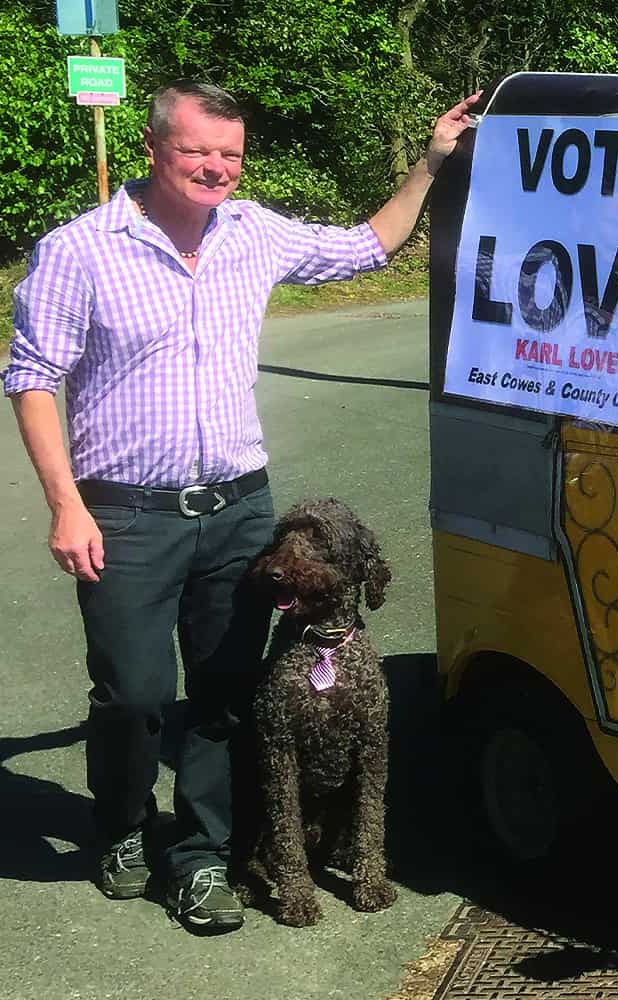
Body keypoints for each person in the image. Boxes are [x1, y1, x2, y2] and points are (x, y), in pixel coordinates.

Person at [3, 79, 479, 933]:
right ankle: (119, 824)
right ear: (153, 149)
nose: (215, 168)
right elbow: (33, 378)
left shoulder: (253, 232)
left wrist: (430, 163)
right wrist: (65, 504)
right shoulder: (79, 250)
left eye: (229, 153)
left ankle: (200, 857)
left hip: (237, 511)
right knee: (134, 694)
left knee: (224, 692)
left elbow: (365, 246)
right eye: (196, 151)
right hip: (125, 512)